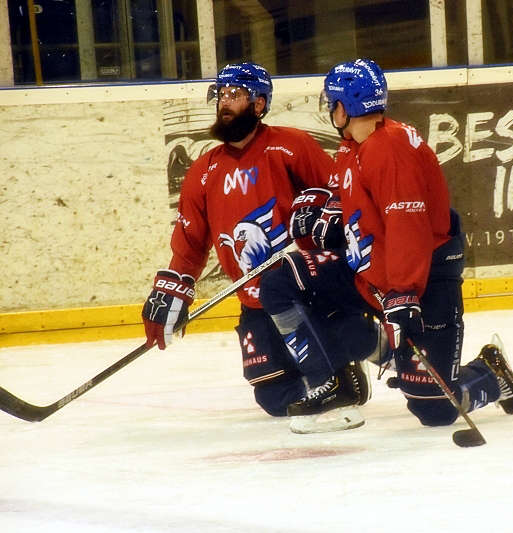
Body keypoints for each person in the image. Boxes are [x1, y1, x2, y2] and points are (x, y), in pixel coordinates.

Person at [260, 58, 513, 433]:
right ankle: (332, 384)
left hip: (424, 278)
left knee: (435, 409)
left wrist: (402, 292)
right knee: (282, 281)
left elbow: (406, 225)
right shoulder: (353, 148)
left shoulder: (391, 148)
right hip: (373, 276)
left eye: (331, 102)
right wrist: (322, 220)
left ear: (345, 105)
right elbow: (352, 204)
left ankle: (490, 374)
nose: (328, 109)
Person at [140, 62, 371, 420]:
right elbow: (189, 241)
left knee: (352, 336)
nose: (225, 103)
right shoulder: (203, 172)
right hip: (255, 300)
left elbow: (341, 190)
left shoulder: (291, 145)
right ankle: (337, 372)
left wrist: (323, 208)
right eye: (221, 96)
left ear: (260, 104)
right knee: (276, 399)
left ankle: (352, 359)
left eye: (236, 95)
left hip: (304, 290)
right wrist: (172, 289)